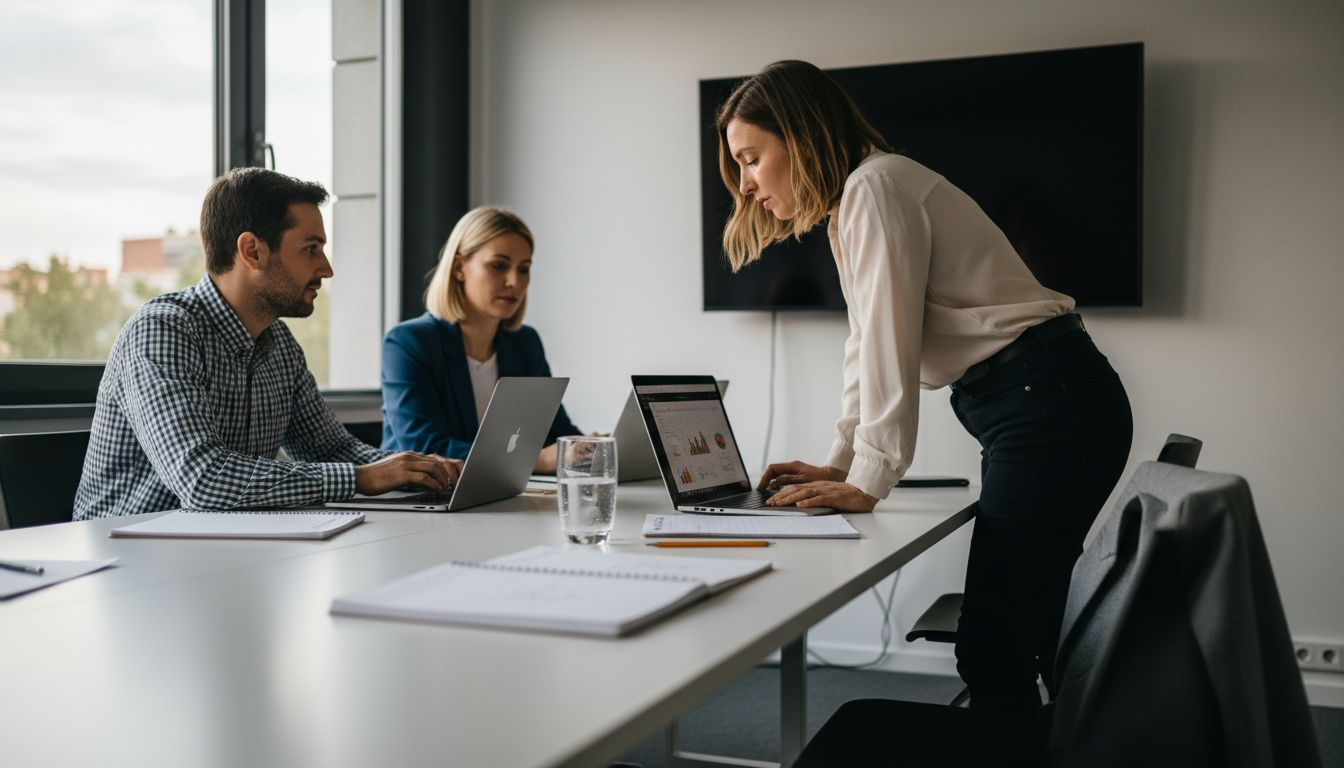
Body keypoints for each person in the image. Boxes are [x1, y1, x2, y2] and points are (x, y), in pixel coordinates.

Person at [717, 61, 1133, 712]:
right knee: (1038, 620)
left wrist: (872, 474)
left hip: (1045, 404)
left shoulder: (875, 188)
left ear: (798, 135)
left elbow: (889, 336)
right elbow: (866, 344)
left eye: (750, 158)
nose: (745, 184)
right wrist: (841, 460)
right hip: (1044, 400)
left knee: (993, 644)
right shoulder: (860, 198)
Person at [74, 168, 459, 520]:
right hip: (125, 561)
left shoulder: (280, 345)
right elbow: (203, 480)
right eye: (311, 249)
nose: (326, 268)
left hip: (218, 550)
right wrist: (360, 478)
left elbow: (332, 451)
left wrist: (425, 470)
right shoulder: (163, 331)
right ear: (252, 251)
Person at [380, 206, 581, 472]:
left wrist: (586, 448)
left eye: (524, 269)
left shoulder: (525, 342)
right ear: (459, 268)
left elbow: (557, 431)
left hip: (503, 497)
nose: (514, 282)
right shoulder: (408, 342)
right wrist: (535, 460)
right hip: (425, 500)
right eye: (499, 266)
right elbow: (422, 447)